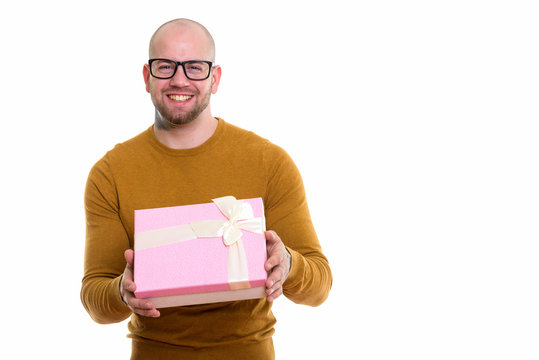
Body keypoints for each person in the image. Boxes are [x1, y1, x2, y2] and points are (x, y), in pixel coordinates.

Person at [81, 18, 332, 359]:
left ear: (215, 79)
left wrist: (289, 264)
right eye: (165, 66)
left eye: (194, 67)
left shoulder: (269, 162)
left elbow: (319, 287)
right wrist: (120, 292)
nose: (179, 79)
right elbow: (95, 298)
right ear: (147, 77)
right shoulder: (110, 173)